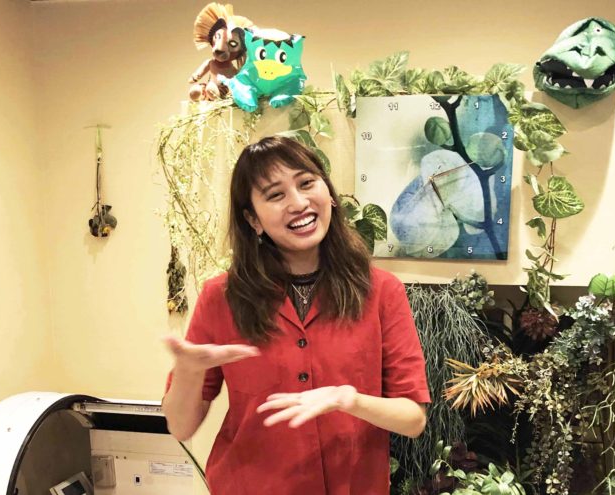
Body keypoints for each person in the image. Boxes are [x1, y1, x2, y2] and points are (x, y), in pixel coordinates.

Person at [162, 135, 430, 494]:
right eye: (276, 195)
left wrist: (348, 399)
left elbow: (413, 419)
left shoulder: (381, 291)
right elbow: (181, 427)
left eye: (306, 183)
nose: (299, 203)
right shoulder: (221, 297)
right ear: (252, 219)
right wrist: (189, 371)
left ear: (328, 193)